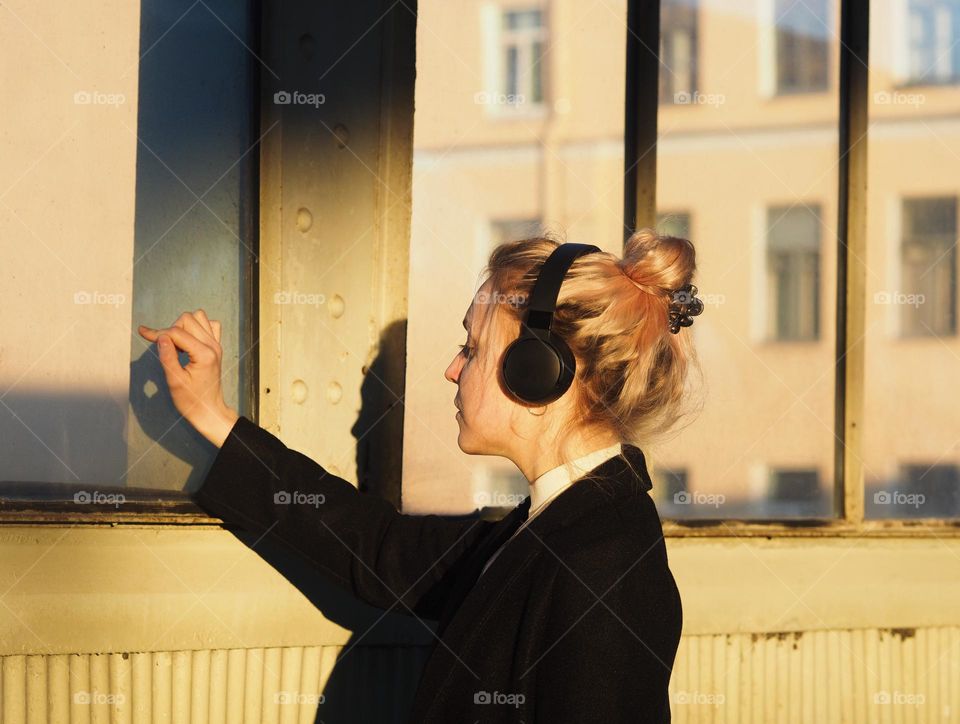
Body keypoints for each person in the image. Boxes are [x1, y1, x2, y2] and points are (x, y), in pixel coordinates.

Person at [137, 227, 704, 723]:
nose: (452, 368)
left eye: (473, 347)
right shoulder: (553, 527)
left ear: (540, 373)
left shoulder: (603, 567)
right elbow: (380, 549)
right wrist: (213, 415)